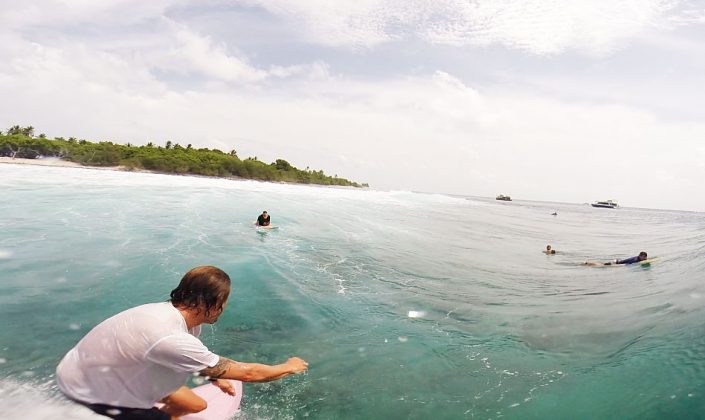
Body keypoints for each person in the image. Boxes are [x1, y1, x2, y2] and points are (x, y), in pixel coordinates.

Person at [56, 266, 308, 420]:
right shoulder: (170, 336)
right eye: (223, 301)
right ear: (207, 303)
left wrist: (214, 376)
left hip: (98, 368)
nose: (224, 308)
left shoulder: (173, 314)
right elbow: (250, 373)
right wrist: (289, 366)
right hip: (92, 390)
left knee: (195, 405)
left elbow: (174, 355)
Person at [583, 251, 648, 266]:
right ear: (640, 256)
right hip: (617, 263)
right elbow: (628, 264)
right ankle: (588, 263)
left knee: (602, 264)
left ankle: (587, 263)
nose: (645, 258)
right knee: (601, 264)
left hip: (618, 261)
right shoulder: (635, 260)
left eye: (646, 257)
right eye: (644, 257)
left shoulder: (638, 258)